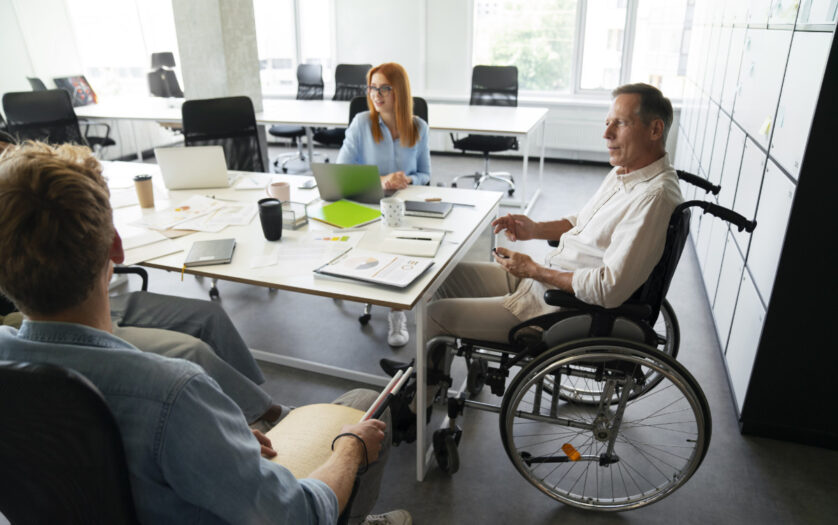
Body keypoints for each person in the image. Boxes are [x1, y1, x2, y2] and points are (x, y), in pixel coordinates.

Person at [0, 142, 410, 525]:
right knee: (363, 408)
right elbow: (296, 515)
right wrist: (350, 448)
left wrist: (212, 440)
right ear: (116, 249)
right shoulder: (172, 393)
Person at [425, 83, 682, 344]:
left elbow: (608, 288)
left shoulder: (653, 198)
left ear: (655, 129)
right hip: (545, 283)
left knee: (434, 315)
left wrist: (535, 271)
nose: (606, 133)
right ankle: (464, 366)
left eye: (621, 123)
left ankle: (425, 383)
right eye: (607, 122)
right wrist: (535, 229)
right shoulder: (625, 173)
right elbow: (582, 222)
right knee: (443, 278)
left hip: (557, 309)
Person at [337, 62, 431, 347]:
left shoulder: (418, 127)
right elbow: (342, 171)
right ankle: (393, 304)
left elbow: (425, 174)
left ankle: (396, 313)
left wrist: (407, 180)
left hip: (405, 205)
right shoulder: (362, 123)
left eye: (384, 88)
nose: (376, 94)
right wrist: (382, 181)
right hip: (368, 202)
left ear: (399, 91)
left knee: (402, 246)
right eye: (373, 88)